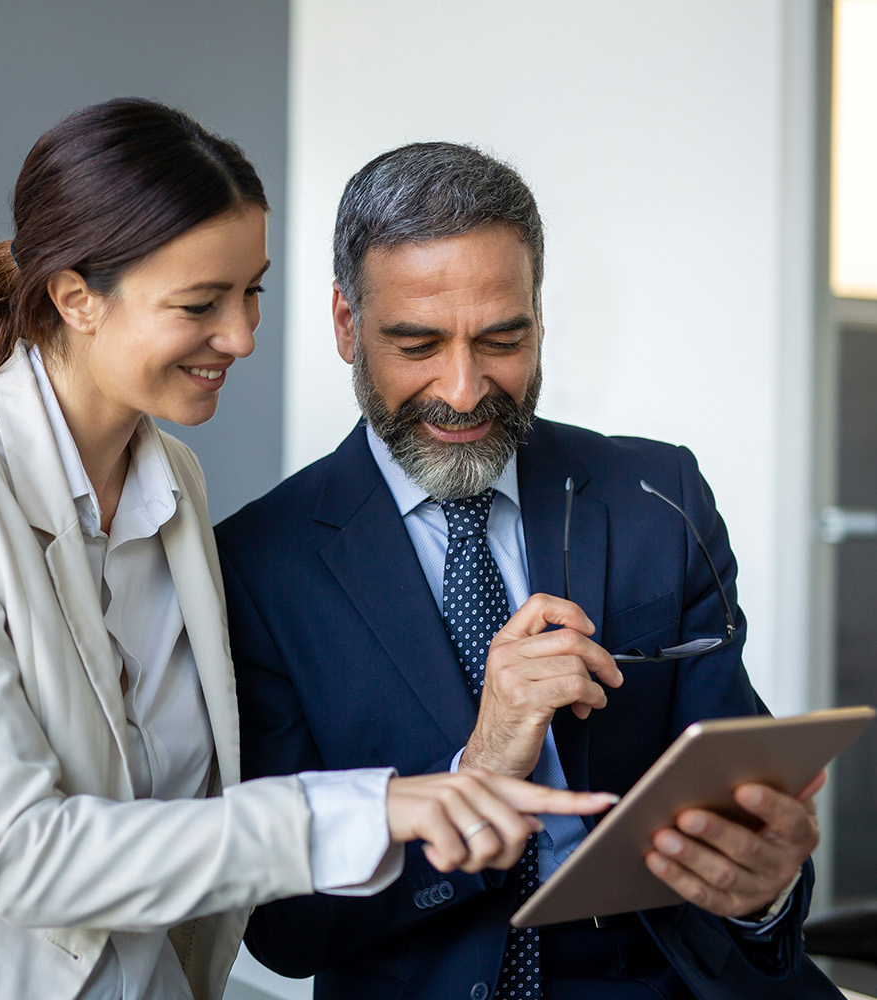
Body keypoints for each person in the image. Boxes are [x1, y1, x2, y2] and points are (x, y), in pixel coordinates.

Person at [0, 101, 614, 1000]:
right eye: (201, 303)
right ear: (76, 297)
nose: (241, 337)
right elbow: (17, 856)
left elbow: (180, 821)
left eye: (252, 293)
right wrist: (375, 807)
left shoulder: (177, 488)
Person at [216, 142, 840, 1000]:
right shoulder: (257, 565)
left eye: (502, 339)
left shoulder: (661, 495)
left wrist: (761, 892)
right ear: (344, 326)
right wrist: (481, 765)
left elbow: (733, 803)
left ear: (539, 319)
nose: (466, 391)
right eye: (419, 344)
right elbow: (284, 928)